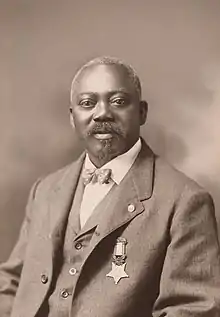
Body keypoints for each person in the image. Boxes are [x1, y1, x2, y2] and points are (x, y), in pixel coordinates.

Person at [0, 56, 220, 317]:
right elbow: (12, 283)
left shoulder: (186, 201)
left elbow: (193, 309)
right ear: (73, 117)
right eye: (87, 103)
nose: (102, 113)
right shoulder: (45, 190)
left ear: (142, 112)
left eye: (118, 101)